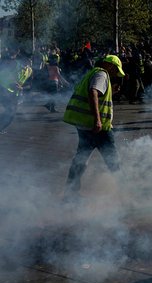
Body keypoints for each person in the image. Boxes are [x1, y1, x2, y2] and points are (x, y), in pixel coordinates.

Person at [62, 55, 125, 197]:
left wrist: (112, 92)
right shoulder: (102, 74)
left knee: (81, 160)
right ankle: (124, 193)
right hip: (98, 128)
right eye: (116, 70)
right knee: (113, 161)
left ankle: (70, 193)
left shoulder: (93, 72)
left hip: (85, 125)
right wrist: (97, 119)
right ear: (109, 65)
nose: (116, 73)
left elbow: (93, 93)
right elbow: (93, 92)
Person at [0, 53, 33, 133]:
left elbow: (30, 85)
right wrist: (12, 82)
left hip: (15, 94)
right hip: (3, 89)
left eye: (30, 60)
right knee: (10, 110)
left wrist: (22, 88)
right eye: (25, 60)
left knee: (11, 113)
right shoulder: (14, 64)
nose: (28, 62)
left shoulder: (30, 70)